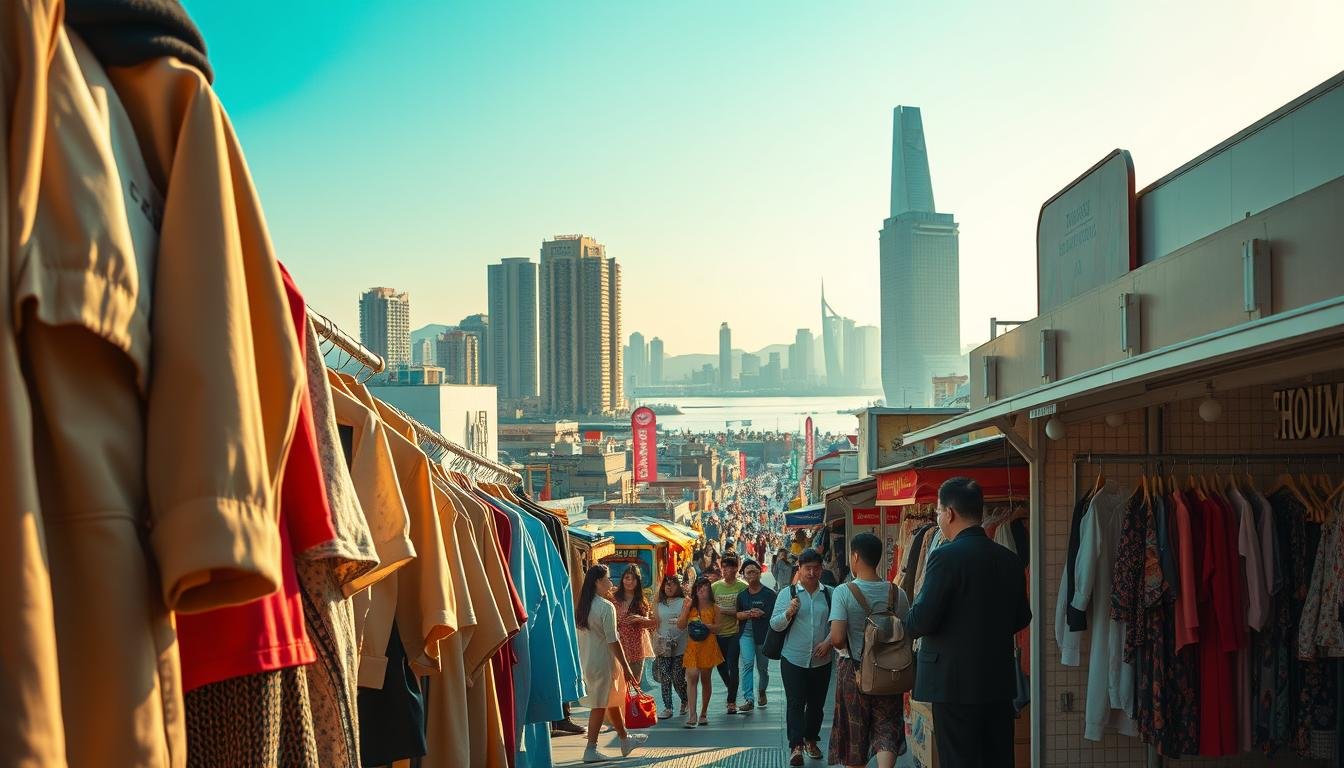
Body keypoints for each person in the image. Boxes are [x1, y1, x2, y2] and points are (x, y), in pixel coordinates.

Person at [903, 477, 1031, 767]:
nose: (938, 518)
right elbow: (1023, 616)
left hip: (952, 683)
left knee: (959, 759)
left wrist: (908, 619)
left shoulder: (944, 557)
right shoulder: (1008, 559)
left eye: (937, 512)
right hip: (998, 680)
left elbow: (922, 619)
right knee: (997, 758)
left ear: (949, 513)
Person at [827, 533, 910, 768]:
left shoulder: (844, 592)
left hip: (854, 671)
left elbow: (837, 638)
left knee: (855, 731)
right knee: (887, 725)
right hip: (889, 670)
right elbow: (905, 631)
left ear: (855, 556)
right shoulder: (897, 593)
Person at [769, 548, 834, 767]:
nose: (812, 573)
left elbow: (836, 624)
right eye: (808, 568)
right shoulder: (787, 594)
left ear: (821, 569)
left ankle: (810, 740)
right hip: (793, 659)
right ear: (799, 569)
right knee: (795, 703)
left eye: (816, 568)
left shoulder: (830, 594)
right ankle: (795, 746)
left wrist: (828, 642)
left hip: (821, 660)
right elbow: (774, 624)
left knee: (816, 705)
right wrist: (788, 613)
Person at [575, 565, 647, 762]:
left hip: (588, 660)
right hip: (604, 662)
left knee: (612, 699)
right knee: (599, 705)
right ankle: (591, 748)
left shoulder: (583, 605)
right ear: (598, 582)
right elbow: (613, 641)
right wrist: (625, 666)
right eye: (608, 578)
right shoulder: (606, 606)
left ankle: (625, 739)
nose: (611, 582)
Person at [679, 576, 725, 728]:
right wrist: (686, 609)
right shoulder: (690, 605)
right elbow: (680, 625)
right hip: (693, 647)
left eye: (705, 588)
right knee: (692, 677)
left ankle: (704, 713)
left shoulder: (715, 608)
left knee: (706, 679)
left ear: (709, 591)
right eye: (699, 588)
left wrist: (705, 625)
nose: (702, 591)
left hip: (708, 646)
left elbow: (719, 628)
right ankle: (692, 715)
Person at [734, 560, 777, 711]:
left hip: (763, 635)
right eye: (748, 572)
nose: (752, 575)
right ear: (744, 576)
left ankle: (762, 691)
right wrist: (746, 614)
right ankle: (749, 699)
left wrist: (763, 614)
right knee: (747, 664)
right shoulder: (742, 596)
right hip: (745, 635)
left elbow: (776, 616)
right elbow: (737, 615)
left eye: (754, 572)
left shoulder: (769, 594)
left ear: (760, 573)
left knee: (763, 668)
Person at [710, 553, 749, 714]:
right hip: (718, 633)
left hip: (735, 632)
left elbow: (745, 610)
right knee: (720, 666)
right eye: (723, 567)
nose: (725, 570)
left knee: (733, 665)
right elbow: (709, 608)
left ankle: (731, 701)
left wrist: (726, 611)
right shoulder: (715, 587)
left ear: (735, 569)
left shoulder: (742, 586)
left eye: (728, 567)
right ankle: (731, 686)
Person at [613, 565, 656, 696]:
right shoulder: (613, 598)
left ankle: (634, 714)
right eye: (627, 578)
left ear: (638, 581)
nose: (629, 581)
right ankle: (619, 714)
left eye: (633, 579)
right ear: (622, 579)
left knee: (635, 683)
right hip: (618, 646)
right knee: (619, 685)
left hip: (637, 647)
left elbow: (650, 624)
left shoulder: (642, 601)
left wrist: (640, 618)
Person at [652, 574, 690, 719]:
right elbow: (655, 625)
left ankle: (685, 700)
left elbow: (686, 623)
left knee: (677, 677)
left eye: (673, 584)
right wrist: (658, 639)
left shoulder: (684, 602)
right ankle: (668, 707)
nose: (669, 587)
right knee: (665, 677)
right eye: (666, 584)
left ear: (678, 586)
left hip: (681, 645)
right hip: (663, 647)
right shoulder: (658, 604)